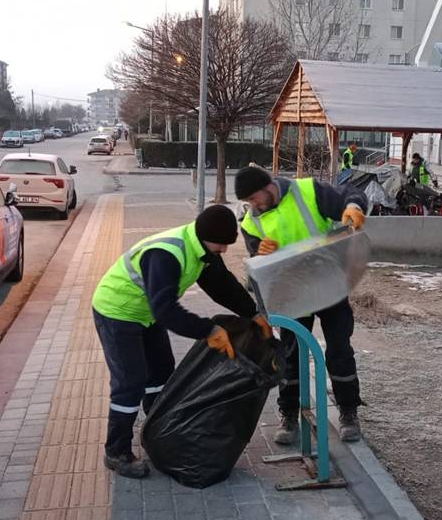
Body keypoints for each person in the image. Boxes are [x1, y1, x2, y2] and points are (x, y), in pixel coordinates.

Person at [91, 205, 271, 478]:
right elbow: (167, 311)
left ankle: (156, 428)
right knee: (130, 382)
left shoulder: (202, 249)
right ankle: (116, 452)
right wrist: (208, 331)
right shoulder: (166, 254)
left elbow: (222, 284)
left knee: (162, 370)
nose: (223, 249)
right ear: (206, 236)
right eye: (221, 244)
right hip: (117, 310)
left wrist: (252, 313)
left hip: (146, 313)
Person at [233, 166, 367, 444]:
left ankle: (348, 411)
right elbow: (257, 267)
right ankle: (290, 415)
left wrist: (353, 207)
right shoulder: (250, 223)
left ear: (269, 185)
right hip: (291, 293)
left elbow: (350, 194)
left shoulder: (308, 191)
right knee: (290, 356)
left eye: (255, 198)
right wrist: (259, 254)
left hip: (329, 283)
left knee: (339, 349)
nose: (253, 206)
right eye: (249, 202)